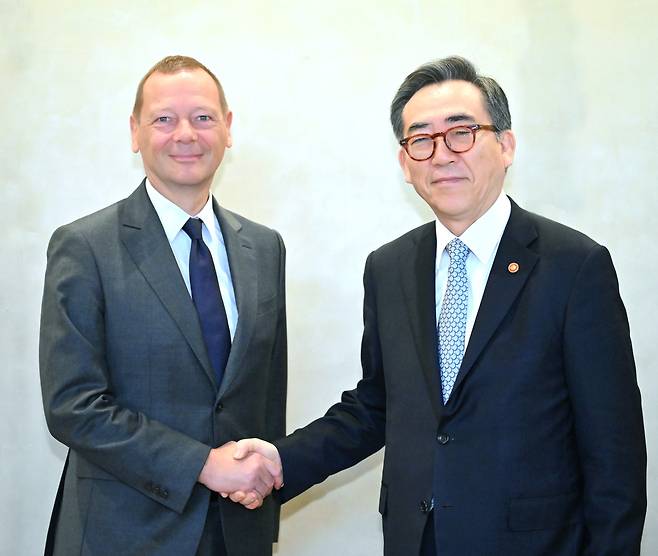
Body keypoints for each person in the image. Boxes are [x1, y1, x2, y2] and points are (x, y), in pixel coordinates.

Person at [233, 56, 647, 555]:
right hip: (417, 540)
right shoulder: (388, 268)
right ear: (405, 164)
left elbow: (614, 452)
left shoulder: (574, 266)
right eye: (421, 140)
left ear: (506, 145)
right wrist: (280, 460)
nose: (443, 155)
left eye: (462, 132)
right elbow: (377, 403)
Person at [39, 55, 285, 556]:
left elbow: (265, 398)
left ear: (228, 128)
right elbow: (73, 406)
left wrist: (258, 483)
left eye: (202, 117)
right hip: (123, 534)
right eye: (164, 119)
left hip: (238, 533)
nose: (185, 134)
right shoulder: (85, 246)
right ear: (135, 132)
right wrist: (201, 464)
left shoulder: (265, 247)